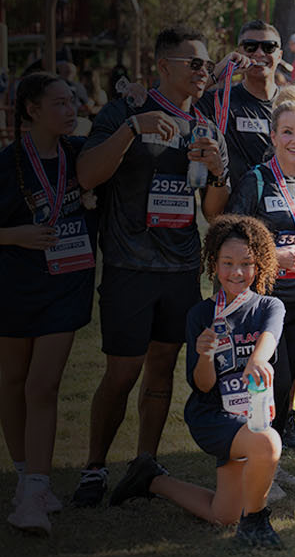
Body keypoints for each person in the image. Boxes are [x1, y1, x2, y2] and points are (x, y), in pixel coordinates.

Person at [70, 27, 226, 505]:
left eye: (207, 65)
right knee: (122, 372)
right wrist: (132, 129)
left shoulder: (205, 126)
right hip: (129, 265)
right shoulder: (125, 112)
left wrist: (218, 171)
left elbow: (213, 212)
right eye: (194, 64)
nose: (204, 72)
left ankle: (145, 462)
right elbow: (86, 175)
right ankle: (94, 467)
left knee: (161, 371)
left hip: (180, 269)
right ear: (163, 66)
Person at [0, 73, 96, 535]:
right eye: (59, 103)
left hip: (66, 287)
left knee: (43, 385)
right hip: (14, 288)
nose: (70, 110)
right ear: (32, 110)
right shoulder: (7, 163)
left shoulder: (81, 155)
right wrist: (16, 235)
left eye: (72, 101)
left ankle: (37, 486)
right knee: (15, 381)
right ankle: (24, 476)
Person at [108, 216, 287, 549]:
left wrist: (257, 360)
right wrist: (205, 355)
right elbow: (202, 386)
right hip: (213, 417)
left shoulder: (269, 306)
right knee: (268, 443)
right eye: (227, 263)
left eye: (246, 263)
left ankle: (150, 479)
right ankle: (255, 523)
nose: (236, 272)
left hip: (251, 415)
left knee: (224, 515)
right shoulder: (200, 315)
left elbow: (269, 338)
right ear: (213, 264)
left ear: (259, 265)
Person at [216, 87, 295, 457]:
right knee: (266, 378)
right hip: (266, 299)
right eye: (287, 132)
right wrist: (274, 256)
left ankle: (272, 455)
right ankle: (254, 454)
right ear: (273, 136)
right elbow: (230, 237)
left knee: (289, 375)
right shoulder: (257, 180)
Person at [202, 20, 281, 188]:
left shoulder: (293, 105)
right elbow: (183, 99)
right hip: (230, 201)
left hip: (279, 201)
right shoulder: (219, 101)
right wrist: (219, 71)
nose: (259, 53)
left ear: (279, 55)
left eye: (269, 47)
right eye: (250, 47)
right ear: (239, 52)